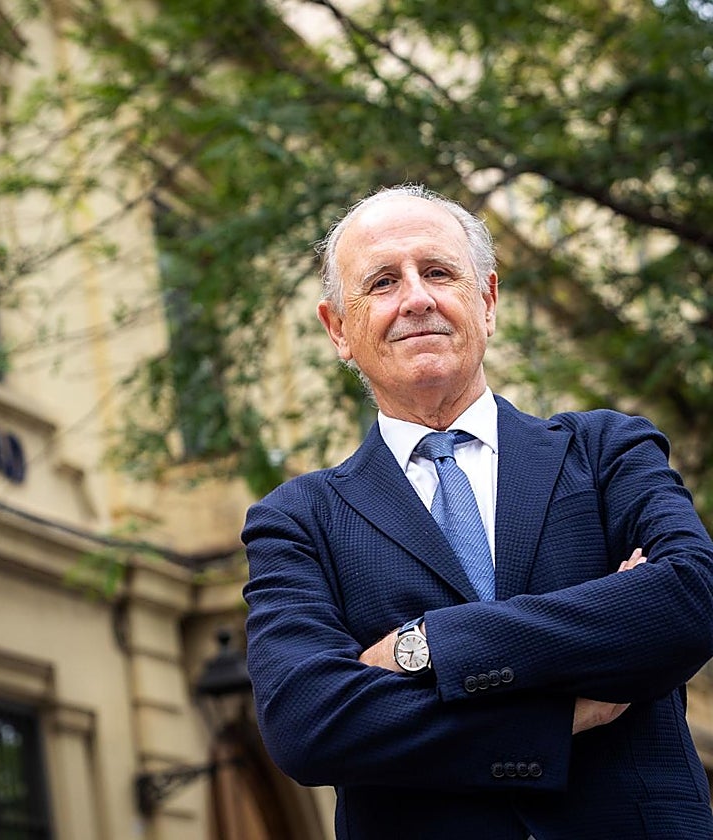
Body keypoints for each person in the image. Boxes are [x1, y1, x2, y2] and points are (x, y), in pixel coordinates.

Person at [241, 184, 713, 839]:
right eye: (382, 282)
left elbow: (689, 601)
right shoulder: (300, 521)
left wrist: (428, 646)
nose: (416, 299)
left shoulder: (607, 450)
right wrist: (563, 710)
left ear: (486, 302)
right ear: (339, 330)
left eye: (438, 272)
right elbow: (308, 723)